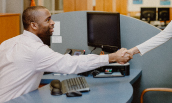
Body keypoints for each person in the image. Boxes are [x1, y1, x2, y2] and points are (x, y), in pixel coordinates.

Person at [0, 6, 132, 102]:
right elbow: (71, 64)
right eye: (48, 20)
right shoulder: (35, 50)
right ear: (34, 25)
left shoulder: (8, 42)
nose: (52, 23)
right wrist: (112, 57)